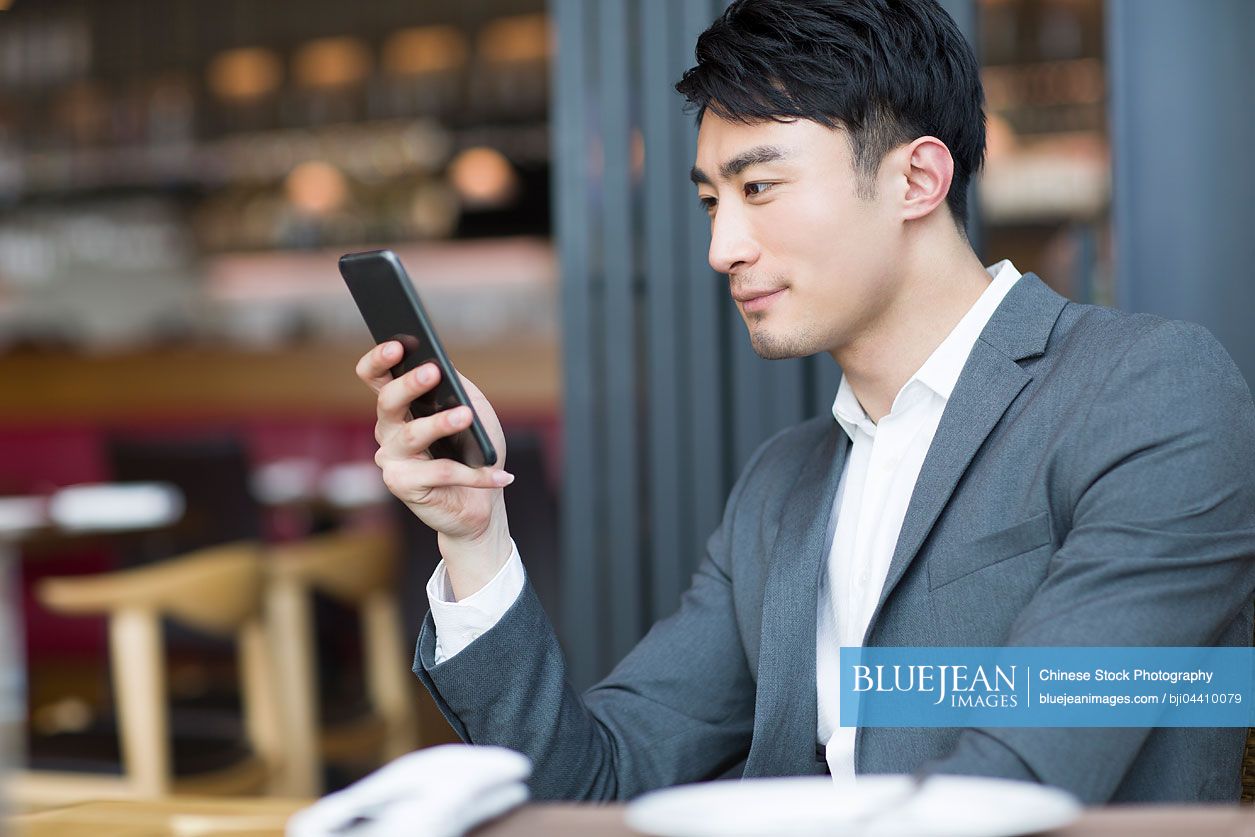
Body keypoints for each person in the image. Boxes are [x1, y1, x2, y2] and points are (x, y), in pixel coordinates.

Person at [355, 0, 1255, 804]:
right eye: (711, 200)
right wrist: (476, 537)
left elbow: (1021, 777)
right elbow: (591, 784)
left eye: (758, 188)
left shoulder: (1147, 392)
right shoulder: (782, 485)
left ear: (916, 180)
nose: (722, 246)